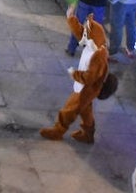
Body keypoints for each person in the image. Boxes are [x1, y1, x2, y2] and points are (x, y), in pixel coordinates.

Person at [39, 9, 110, 143]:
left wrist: (74, 74)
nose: (83, 34)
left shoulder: (99, 56)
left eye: (86, 33)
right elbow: (80, 32)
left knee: (69, 110)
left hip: (85, 89)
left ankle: (58, 131)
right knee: (85, 110)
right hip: (85, 88)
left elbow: (89, 78)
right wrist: (71, 18)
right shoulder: (92, 44)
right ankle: (88, 134)